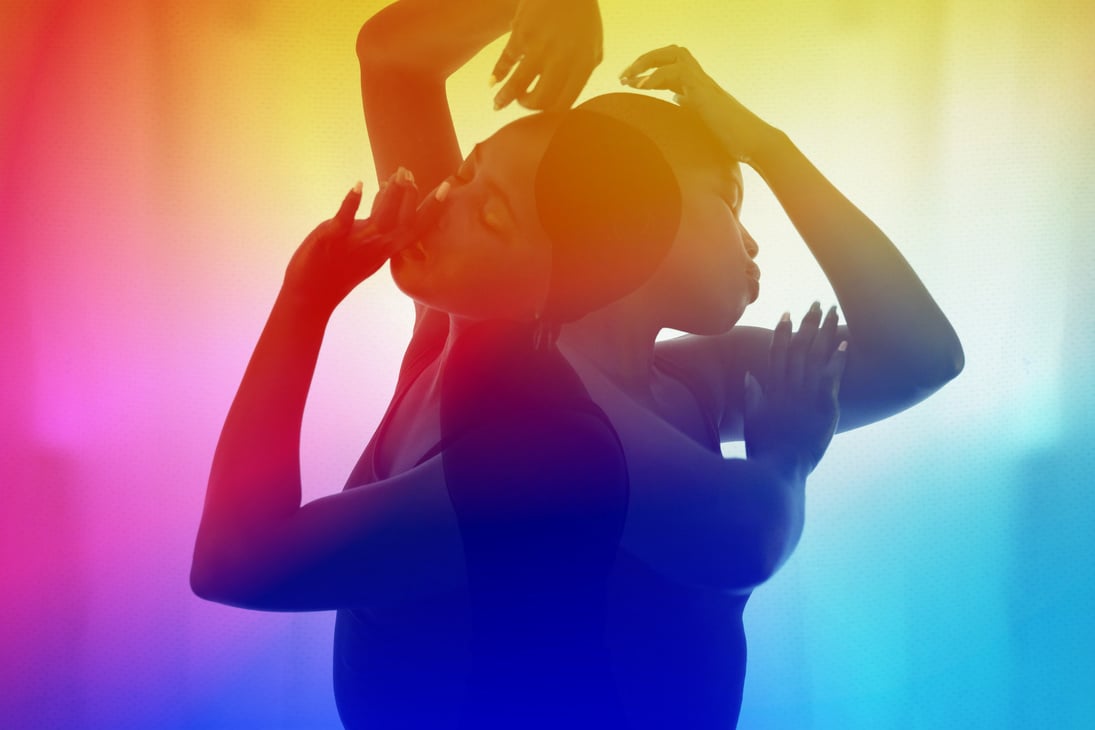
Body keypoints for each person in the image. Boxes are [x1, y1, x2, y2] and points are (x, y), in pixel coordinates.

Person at [350, 0, 962, 728]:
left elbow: (919, 358)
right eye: (729, 202)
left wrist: (769, 148)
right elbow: (396, 64)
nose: (750, 242)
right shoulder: (469, 324)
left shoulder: (694, 381)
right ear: (640, 212)